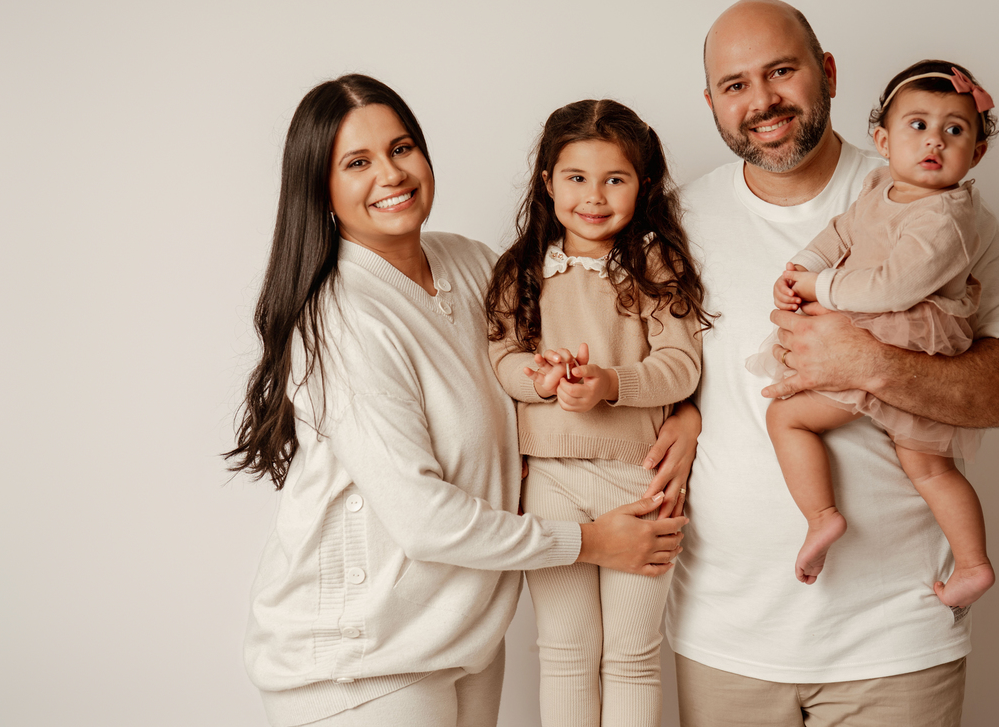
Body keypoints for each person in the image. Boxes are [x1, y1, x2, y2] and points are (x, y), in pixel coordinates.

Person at [226, 75, 691, 727]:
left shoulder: (473, 266)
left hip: (460, 640)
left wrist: (685, 414)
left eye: (402, 147)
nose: (390, 173)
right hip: (362, 664)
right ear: (320, 189)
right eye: (357, 162)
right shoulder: (343, 318)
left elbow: (593, 349)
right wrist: (588, 541)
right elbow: (423, 519)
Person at [665, 0, 999, 727]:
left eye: (783, 71)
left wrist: (870, 363)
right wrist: (684, 416)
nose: (763, 100)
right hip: (727, 634)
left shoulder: (938, 205)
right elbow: (657, 370)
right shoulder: (680, 220)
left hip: (895, 641)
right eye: (735, 84)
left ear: (829, 72)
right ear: (713, 102)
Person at [485, 99, 710, 727]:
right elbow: (500, 358)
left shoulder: (654, 266)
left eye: (615, 178)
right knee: (563, 653)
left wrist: (611, 382)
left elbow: (681, 366)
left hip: (638, 480)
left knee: (634, 657)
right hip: (550, 481)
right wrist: (540, 377)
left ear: (644, 184)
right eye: (576, 178)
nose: (594, 195)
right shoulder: (521, 271)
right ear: (547, 182)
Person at [748, 60, 999, 608]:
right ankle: (973, 565)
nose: (934, 140)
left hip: (903, 340)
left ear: (976, 153)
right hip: (882, 332)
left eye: (955, 130)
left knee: (787, 416)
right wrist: (800, 268)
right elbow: (841, 230)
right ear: (883, 140)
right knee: (927, 465)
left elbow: (892, 287)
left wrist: (820, 286)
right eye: (918, 125)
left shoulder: (947, 217)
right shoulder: (881, 186)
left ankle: (822, 517)